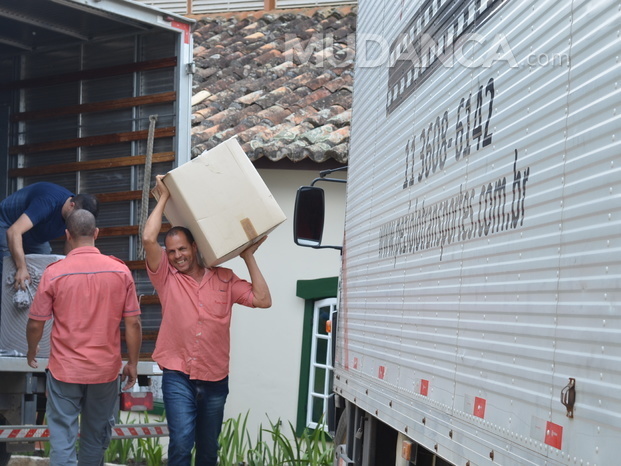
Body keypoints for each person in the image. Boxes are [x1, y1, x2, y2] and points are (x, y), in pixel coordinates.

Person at [142, 174, 272, 466]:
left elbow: (263, 300)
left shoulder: (224, 278)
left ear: (195, 247)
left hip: (215, 379)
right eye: (172, 251)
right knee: (181, 443)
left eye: (182, 249)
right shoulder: (166, 277)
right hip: (178, 375)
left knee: (208, 451)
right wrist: (164, 196)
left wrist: (247, 257)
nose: (177, 256)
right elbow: (149, 237)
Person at [25, 209, 142, 466]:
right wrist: (132, 363)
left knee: (62, 438)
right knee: (95, 436)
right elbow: (133, 322)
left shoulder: (54, 273)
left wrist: (32, 352)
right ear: (96, 233)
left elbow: (36, 323)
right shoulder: (120, 272)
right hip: (104, 370)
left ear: (67, 235)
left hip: (65, 370)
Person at [0, 181, 99, 290]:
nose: (78, 221)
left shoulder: (75, 216)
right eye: (77, 216)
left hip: (35, 234)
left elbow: (70, 247)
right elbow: (14, 232)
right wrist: (21, 268)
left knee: (43, 270)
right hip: (8, 223)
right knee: (9, 271)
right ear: (71, 205)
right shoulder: (48, 201)